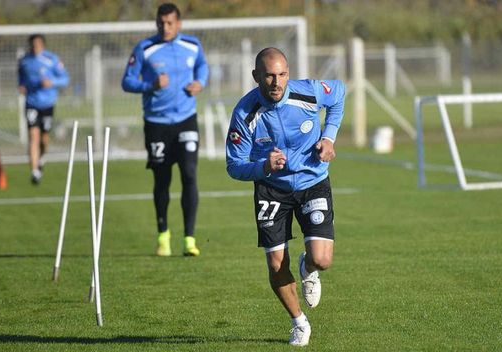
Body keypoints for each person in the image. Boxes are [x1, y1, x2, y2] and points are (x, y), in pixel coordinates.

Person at [225, 48, 345, 347]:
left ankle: (308, 269)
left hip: (312, 181)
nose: (276, 82)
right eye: (269, 75)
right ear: (256, 77)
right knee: (277, 263)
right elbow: (234, 166)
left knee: (322, 259)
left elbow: (339, 93)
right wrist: (263, 166)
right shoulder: (244, 113)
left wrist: (328, 137)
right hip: (271, 188)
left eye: (282, 74)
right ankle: (299, 322)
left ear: (288, 73)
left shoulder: (307, 92)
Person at [122, 2, 209, 257]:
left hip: (186, 119)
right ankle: (163, 236)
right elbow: (127, 81)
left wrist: (200, 82)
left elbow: (203, 65)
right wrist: (150, 84)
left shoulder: (192, 45)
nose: (165, 27)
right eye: (161, 23)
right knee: (162, 180)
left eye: (170, 23)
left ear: (179, 23)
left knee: (190, 173)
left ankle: (189, 239)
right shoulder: (145, 48)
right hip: (157, 123)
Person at [18, 33, 70, 185]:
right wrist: (21, 86)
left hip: (47, 104)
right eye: (32, 45)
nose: (34, 48)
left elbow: (65, 79)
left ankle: (41, 158)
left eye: (37, 45)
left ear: (42, 45)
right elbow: (21, 77)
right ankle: (35, 171)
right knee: (33, 136)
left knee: (44, 138)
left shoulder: (52, 59)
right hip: (31, 103)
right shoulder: (24, 61)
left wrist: (52, 82)